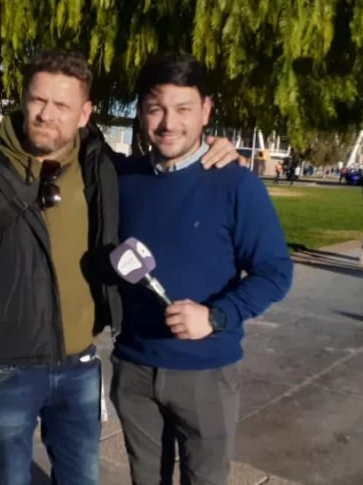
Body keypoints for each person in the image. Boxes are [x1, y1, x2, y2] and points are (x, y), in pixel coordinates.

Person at [0, 49, 240, 485]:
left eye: (61, 105)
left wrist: (215, 148)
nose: (46, 114)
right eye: (38, 100)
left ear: (84, 113)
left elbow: (167, 170)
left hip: (80, 364)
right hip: (5, 369)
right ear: (23, 100)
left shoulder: (102, 166)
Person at [110, 51, 294, 485]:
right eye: (156, 108)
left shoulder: (237, 185)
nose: (168, 123)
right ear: (141, 112)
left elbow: (275, 271)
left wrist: (214, 316)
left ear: (206, 110)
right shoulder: (123, 179)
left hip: (206, 374)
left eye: (183, 109)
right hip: (134, 370)